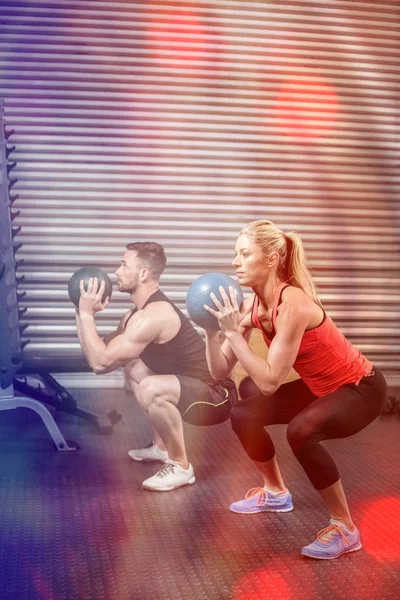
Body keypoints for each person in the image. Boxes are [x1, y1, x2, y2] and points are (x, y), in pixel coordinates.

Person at [203, 220, 387, 560]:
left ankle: (345, 529)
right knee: (243, 412)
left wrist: (232, 334)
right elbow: (218, 371)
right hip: (320, 386)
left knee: (301, 431)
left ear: (271, 259)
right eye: (235, 254)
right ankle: (275, 492)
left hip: (360, 388)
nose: (235, 263)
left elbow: (271, 380)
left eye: (244, 254)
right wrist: (212, 331)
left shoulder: (294, 305)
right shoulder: (250, 306)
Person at [75, 241, 236, 492]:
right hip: (190, 387)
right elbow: (100, 350)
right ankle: (162, 447)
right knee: (134, 369)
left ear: (143, 274)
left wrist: (86, 316)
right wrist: (81, 311)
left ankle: (180, 466)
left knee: (151, 387)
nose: (116, 272)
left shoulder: (154, 315)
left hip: (217, 396)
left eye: (123, 265)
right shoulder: (133, 316)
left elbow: (100, 363)